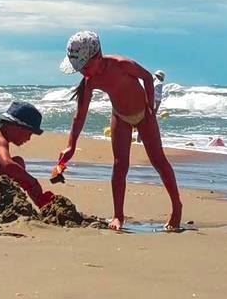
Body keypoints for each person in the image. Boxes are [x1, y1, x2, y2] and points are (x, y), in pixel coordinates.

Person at [57, 30, 182, 233]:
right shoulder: (90, 81)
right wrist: (71, 146)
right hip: (120, 117)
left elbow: (146, 78)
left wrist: (150, 107)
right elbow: (80, 116)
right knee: (119, 165)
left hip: (144, 115)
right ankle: (118, 215)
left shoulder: (122, 64)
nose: (83, 72)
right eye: (79, 69)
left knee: (158, 161)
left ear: (97, 56)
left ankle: (176, 207)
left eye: (85, 67)